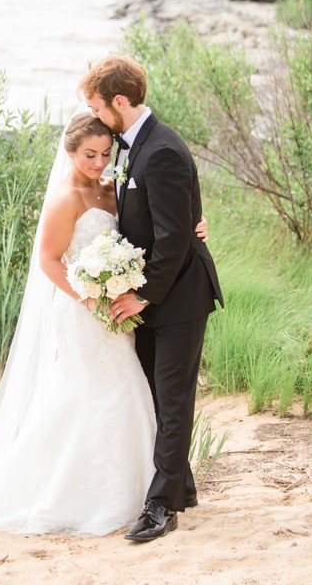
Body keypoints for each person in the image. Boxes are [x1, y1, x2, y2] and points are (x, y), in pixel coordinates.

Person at [0, 114, 209, 536]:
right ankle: (80, 491)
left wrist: (196, 224)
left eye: (106, 154)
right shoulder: (64, 198)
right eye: (89, 154)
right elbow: (49, 261)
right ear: (70, 152)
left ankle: (153, 487)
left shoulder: (113, 189)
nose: (98, 162)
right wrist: (88, 295)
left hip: (117, 311)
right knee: (89, 394)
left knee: (129, 390)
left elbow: (159, 215)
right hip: (81, 311)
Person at [80, 54, 223, 542]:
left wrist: (142, 296)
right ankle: (180, 484)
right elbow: (157, 217)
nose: (96, 117)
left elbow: (175, 237)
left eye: (99, 107)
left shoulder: (161, 149)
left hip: (178, 296)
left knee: (173, 399)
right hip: (152, 293)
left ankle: (161, 507)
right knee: (158, 399)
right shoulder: (127, 146)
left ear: (120, 101)